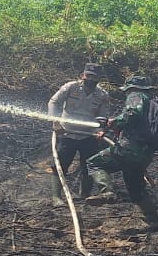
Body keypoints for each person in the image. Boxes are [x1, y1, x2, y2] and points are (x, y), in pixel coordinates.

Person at [86, 75, 158, 219]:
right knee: (136, 190)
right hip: (144, 154)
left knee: (94, 163)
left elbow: (133, 113)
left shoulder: (135, 95)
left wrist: (114, 122)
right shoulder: (152, 101)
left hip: (128, 150)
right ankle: (155, 217)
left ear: (130, 88)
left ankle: (107, 192)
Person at [48, 63, 113, 199]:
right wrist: (56, 122)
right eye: (88, 76)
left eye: (94, 77)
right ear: (83, 75)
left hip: (89, 135)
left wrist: (101, 130)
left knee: (89, 165)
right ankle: (56, 197)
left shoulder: (102, 95)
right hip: (67, 133)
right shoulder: (70, 87)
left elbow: (103, 115)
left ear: (98, 79)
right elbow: (54, 102)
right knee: (60, 164)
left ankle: (85, 195)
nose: (90, 79)